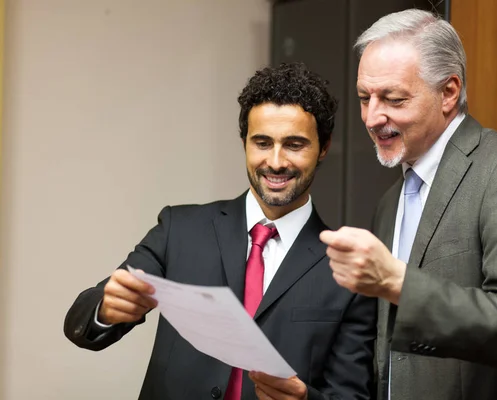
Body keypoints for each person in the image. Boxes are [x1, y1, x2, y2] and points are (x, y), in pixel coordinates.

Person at [64, 62, 376, 400]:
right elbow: (81, 323)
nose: (275, 161)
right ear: (244, 142)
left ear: (324, 148)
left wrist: (304, 399)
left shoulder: (350, 273)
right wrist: (106, 310)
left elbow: (352, 394)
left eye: (295, 144)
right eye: (262, 142)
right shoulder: (179, 230)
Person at [320, 9, 497, 400]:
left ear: (448, 92)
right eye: (364, 98)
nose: (372, 117)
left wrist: (396, 281)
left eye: (393, 98)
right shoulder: (391, 201)